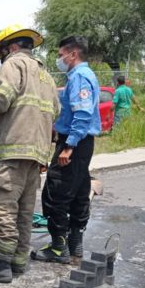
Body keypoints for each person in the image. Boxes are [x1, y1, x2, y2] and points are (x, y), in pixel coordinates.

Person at [0, 24, 60, 282]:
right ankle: (18, 261)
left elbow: (0, 99)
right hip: (36, 154)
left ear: (11, 47)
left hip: (11, 150)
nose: (2, 59)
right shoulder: (46, 75)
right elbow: (56, 111)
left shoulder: (14, 63)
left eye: (2, 54)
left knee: (3, 208)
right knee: (24, 211)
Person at [33, 35, 100, 263]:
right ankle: (75, 243)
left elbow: (82, 114)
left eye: (61, 55)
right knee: (80, 191)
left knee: (56, 193)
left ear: (73, 54)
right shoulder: (84, 75)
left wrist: (69, 147)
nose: (59, 59)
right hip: (83, 142)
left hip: (74, 143)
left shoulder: (80, 76)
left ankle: (58, 247)